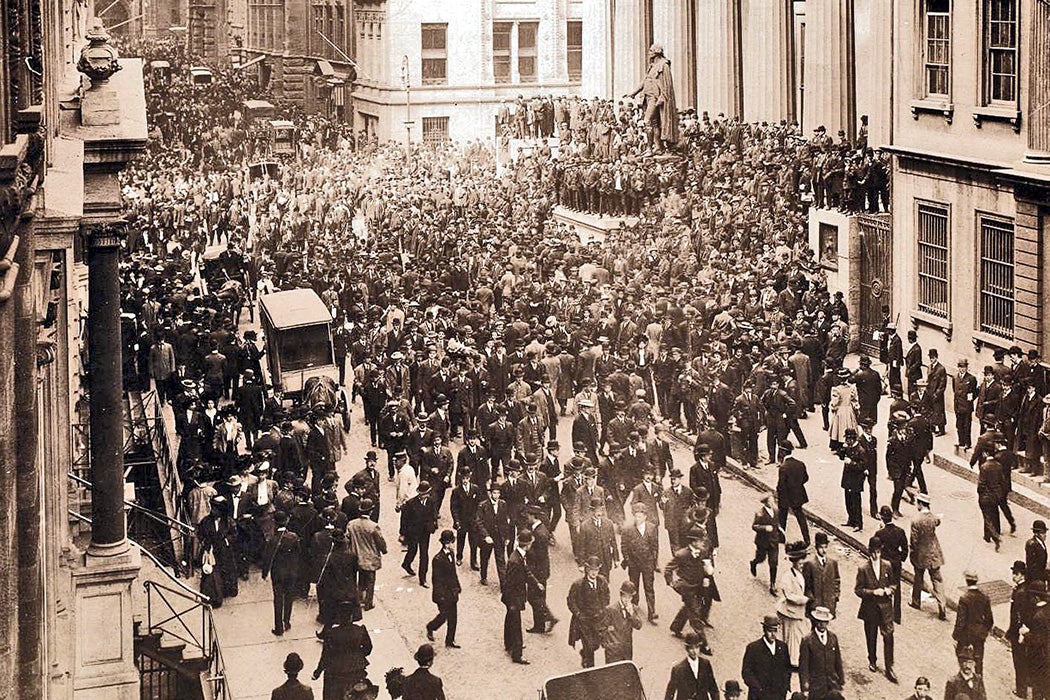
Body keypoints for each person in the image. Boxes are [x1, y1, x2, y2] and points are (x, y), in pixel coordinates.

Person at [855, 535, 897, 683]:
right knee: (871, 636)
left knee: (889, 637)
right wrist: (873, 592)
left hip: (885, 608)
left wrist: (889, 590)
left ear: (881, 551)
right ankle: (872, 659)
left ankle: (889, 667)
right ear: (869, 551)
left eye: (878, 552)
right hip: (870, 608)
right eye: (873, 552)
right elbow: (858, 590)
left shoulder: (887, 565)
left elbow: (894, 585)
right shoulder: (863, 569)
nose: (875, 555)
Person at [312, 603, 373, 700]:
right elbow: (368, 648)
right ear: (351, 617)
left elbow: (326, 656)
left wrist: (318, 671)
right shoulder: (360, 630)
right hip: (356, 669)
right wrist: (357, 654)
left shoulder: (331, 633)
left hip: (336, 671)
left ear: (339, 617)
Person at [261, 510, 300, 636]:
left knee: (278, 599)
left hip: (278, 573)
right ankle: (286, 621)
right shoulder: (293, 537)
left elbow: (267, 558)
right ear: (286, 521)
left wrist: (264, 573)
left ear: (275, 523)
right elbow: (298, 554)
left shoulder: (273, 540)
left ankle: (278, 627)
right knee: (289, 597)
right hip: (291, 572)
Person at [567, 555, 611, 668]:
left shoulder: (602, 581)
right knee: (589, 646)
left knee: (597, 644)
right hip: (584, 621)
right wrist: (578, 614)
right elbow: (571, 601)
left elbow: (607, 595)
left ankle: (584, 654)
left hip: (598, 620)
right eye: (591, 570)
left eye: (596, 570)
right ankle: (590, 670)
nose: (594, 573)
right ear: (587, 569)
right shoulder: (578, 585)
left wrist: (604, 608)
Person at [908, 493, 947, 619]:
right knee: (937, 579)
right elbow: (937, 521)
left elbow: (914, 540)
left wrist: (912, 552)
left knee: (918, 578)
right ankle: (942, 605)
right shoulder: (932, 518)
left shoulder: (916, 520)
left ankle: (916, 602)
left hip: (921, 554)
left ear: (920, 503)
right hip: (934, 553)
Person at [502, 529, 538, 664]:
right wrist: (512, 602)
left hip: (513, 596)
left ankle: (509, 643)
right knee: (516, 624)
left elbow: (526, 571)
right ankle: (517, 654)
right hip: (514, 597)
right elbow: (510, 582)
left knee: (510, 619)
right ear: (528, 545)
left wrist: (535, 583)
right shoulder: (516, 560)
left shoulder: (517, 556)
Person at [620, 501, 660, 622]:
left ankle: (651, 612)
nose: (638, 519)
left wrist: (653, 561)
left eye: (640, 516)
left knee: (649, 587)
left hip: (647, 564)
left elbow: (655, 546)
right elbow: (624, 547)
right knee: (634, 587)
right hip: (634, 565)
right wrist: (628, 560)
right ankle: (634, 610)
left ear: (645, 516)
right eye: (636, 516)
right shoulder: (627, 530)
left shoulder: (652, 528)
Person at [346, 498, 386, 612]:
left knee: (359, 580)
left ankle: (358, 600)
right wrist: (384, 550)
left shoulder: (351, 524)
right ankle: (368, 603)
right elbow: (380, 542)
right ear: (371, 511)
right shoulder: (373, 526)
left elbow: (347, 539)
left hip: (355, 556)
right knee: (370, 581)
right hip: (369, 558)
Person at [740, 615, 791, 700]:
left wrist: (785, 687)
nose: (773, 634)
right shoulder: (754, 648)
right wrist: (758, 689)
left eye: (775, 631)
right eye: (770, 631)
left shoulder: (783, 647)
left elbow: (787, 669)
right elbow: (746, 672)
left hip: (778, 695)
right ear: (764, 630)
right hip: (759, 696)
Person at [776, 541, 810, 667]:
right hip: (790, 612)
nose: (802, 566)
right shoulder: (787, 576)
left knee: (798, 636)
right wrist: (804, 599)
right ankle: (792, 661)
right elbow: (789, 596)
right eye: (800, 564)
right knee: (791, 637)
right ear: (794, 563)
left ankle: (794, 659)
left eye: (803, 563)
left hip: (799, 612)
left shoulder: (802, 575)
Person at [798, 607, 844, 700]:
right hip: (816, 686)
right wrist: (805, 686)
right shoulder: (807, 640)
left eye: (825, 621)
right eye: (819, 621)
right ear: (815, 621)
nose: (822, 624)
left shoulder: (833, 637)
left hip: (832, 683)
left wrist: (841, 679)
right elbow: (804, 666)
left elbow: (838, 660)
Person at [425, 530, 461, 648]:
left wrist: (457, 586)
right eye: (451, 542)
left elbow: (453, 572)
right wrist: (440, 596)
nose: (452, 544)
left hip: (452, 592)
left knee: (453, 617)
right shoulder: (438, 559)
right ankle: (431, 626)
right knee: (443, 616)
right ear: (446, 543)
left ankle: (450, 640)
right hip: (443, 594)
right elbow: (437, 580)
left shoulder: (451, 554)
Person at [953, 570, 993, 675]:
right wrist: (984, 632)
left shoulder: (964, 598)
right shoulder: (984, 597)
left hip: (966, 636)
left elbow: (961, 621)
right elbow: (990, 620)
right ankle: (979, 684)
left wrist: (956, 636)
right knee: (979, 662)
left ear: (966, 581)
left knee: (964, 661)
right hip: (979, 635)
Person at [874, 505, 908, 624]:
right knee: (896, 587)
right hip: (896, 562)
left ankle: (884, 613)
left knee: (883, 586)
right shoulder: (900, 531)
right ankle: (897, 616)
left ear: (882, 518)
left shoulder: (880, 533)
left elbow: (875, 547)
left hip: (885, 563)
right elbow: (905, 548)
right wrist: (900, 558)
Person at [1006, 560, 1035, 699]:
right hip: (1022, 630)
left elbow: (1018, 615)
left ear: (1021, 575)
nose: (1013, 576)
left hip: (1019, 632)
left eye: (1015, 574)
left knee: (1019, 661)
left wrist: (1016, 632)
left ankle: (1021, 690)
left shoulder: (1020, 592)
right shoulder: (1023, 588)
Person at [401, 481, 439, 586]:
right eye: (423, 493)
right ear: (419, 493)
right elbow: (404, 519)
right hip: (413, 532)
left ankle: (423, 579)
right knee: (412, 550)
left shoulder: (431, 501)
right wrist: (402, 533)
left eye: (427, 493)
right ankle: (406, 563)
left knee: (424, 554)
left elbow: (433, 514)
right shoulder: (411, 504)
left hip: (425, 532)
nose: (425, 495)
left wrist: (434, 525)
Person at [475, 480, 512, 586]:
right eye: (494, 493)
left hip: (499, 537)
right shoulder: (483, 505)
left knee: (501, 560)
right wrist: (486, 536)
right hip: (488, 537)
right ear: (490, 493)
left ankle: (503, 584)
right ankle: (483, 576)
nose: (496, 495)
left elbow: (505, 522)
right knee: (485, 557)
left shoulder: (503, 504)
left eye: (498, 493)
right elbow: (479, 522)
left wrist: (507, 537)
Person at [663, 631, 720, 700]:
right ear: (686, 649)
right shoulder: (678, 669)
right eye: (691, 648)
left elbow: (713, 688)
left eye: (696, 647)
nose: (694, 651)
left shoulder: (705, 664)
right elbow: (670, 693)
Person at [775, 441, 810, 544]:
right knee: (800, 516)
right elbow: (805, 478)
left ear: (782, 452)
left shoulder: (783, 468)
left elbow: (781, 485)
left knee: (782, 517)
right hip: (798, 494)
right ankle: (807, 539)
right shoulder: (800, 464)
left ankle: (781, 538)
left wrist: (779, 495)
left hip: (786, 496)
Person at [750, 494, 784, 595]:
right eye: (770, 500)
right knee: (761, 558)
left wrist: (779, 528)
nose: (773, 502)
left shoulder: (776, 510)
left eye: (773, 499)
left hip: (774, 541)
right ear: (765, 502)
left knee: (774, 563)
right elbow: (754, 526)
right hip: (763, 542)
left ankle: (772, 585)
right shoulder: (760, 513)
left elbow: (776, 522)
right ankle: (754, 563)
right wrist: (765, 528)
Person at [602, 580, 643, 663]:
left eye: (630, 597)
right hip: (613, 651)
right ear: (621, 595)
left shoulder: (634, 608)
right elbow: (603, 628)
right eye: (625, 596)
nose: (627, 600)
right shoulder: (611, 609)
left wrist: (631, 614)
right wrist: (608, 645)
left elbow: (638, 625)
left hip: (627, 650)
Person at [802, 532, 840, 619]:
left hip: (828, 603)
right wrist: (811, 599)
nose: (824, 550)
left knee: (825, 627)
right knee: (815, 628)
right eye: (821, 547)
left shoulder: (832, 563)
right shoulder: (810, 564)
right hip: (815, 604)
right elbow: (806, 585)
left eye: (825, 547)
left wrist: (836, 595)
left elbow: (836, 580)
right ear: (816, 548)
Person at [953, 358, 978, 449]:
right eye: (960, 367)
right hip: (958, 405)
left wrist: (969, 400)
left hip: (967, 406)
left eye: (964, 367)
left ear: (967, 367)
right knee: (959, 425)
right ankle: (961, 442)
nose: (962, 369)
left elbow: (975, 392)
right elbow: (954, 391)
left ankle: (968, 443)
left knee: (967, 425)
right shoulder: (955, 377)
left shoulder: (971, 378)